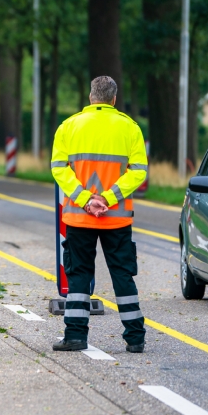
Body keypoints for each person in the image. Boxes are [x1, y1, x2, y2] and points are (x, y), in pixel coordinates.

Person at [50, 76, 149, 353]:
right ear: (114, 99)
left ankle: (75, 336)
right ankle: (135, 338)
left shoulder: (68, 126)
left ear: (91, 96)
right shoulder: (130, 128)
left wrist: (85, 200)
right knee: (122, 275)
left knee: (79, 274)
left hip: (79, 217)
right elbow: (139, 171)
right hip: (116, 216)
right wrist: (107, 198)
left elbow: (59, 169)